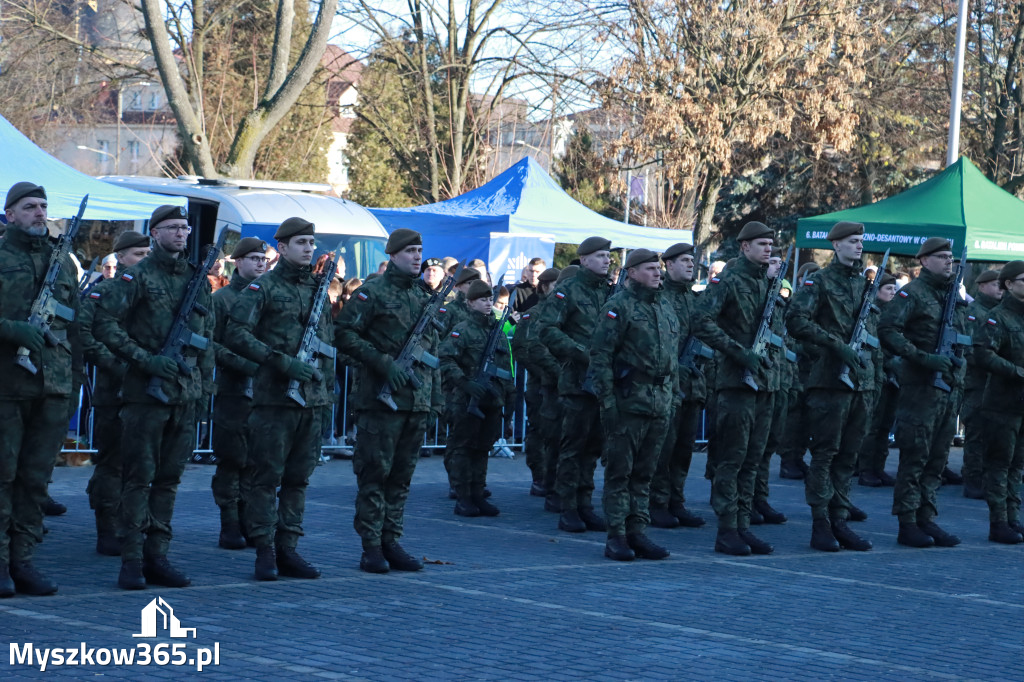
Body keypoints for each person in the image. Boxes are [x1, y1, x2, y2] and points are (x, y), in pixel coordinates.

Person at [92, 204, 215, 590]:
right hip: (146, 396)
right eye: (172, 228)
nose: (181, 234)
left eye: (184, 228)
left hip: (184, 394)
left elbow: (207, 341)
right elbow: (104, 324)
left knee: (168, 480)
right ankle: (131, 559)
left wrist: (204, 387)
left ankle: (157, 555)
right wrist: (146, 361)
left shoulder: (198, 279)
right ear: (155, 233)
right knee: (139, 479)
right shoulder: (136, 278)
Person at [226, 220, 332, 580]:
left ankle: (289, 548)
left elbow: (328, 344)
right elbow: (235, 333)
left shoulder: (319, 289)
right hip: (274, 400)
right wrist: (278, 361)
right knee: (265, 479)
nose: (308, 248)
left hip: (311, 401)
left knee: (298, 480)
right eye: (301, 242)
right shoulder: (263, 287)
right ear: (282, 248)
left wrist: (325, 392)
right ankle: (265, 550)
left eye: (312, 242)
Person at [335, 228, 444, 574]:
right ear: (393, 254)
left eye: (420, 250)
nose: (417, 257)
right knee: (374, 475)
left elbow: (432, 350)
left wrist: (435, 398)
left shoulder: (423, 295)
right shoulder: (372, 293)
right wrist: (382, 363)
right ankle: (370, 546)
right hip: (380, 403)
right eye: (410, 250)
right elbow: (344, 334)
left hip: (416, 402)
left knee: (401, 477)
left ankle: (391, 540)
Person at [0, 182, 81, 597]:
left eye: (44, 207)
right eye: (29, 207)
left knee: (35, 481)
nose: (38, 213)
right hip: (7, 387)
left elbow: (76, 323)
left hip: (52, 386)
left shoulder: (62, 262)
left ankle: (23, 560)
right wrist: (12, 331)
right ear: (9, 213)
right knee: (3, 477)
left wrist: (73, 381)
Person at [786, 221, 875, 552]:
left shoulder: (864, 285)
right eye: (852, 241)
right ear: (836, 245)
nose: (858, 246)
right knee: (825, 455)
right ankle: (820, 523)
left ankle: (840, 519)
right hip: (828, 382)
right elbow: (796, 321)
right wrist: (834, 345)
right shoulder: (819, 281)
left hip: (859, 383)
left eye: (860, 241)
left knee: (849, 457)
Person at [878, 237, 970, 548]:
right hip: (921, 388)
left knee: (937, 458)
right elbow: (888, 330)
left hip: (947, 389)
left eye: (951, 257)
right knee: (915, 456)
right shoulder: (912, 293)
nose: (949, 262)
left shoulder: (953, 296)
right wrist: (920, 357)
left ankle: (926, 518)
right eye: (942, 256)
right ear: (924, 261)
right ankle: (907, 523)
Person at [694, 221, 778, 556]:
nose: (768, 249)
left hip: (762, 382)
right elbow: (701, 320)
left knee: (753, 460)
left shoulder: (766, 282)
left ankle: (743, 525)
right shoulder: (730, 279)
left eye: (770, 244)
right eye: (761, 244)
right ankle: (727, 529)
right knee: (732, 459)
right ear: (744, 247)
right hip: (734, 382)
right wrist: (735, 351)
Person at [589, 249, 678, 561]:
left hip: (660, 401)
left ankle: (637, 531)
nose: (657, 273)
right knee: (620, 473)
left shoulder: (664, 305)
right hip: (628, 401)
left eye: (658, 268)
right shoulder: (618, 307)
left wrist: (673, 395)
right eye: (650, 268)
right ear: (632, 272)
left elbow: (672, 357)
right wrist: (608, 403)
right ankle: (616, 535)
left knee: (645, 473)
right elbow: (600, 357)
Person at [80, 230, 151, 557]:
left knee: (140, 463)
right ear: (120, 257)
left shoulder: (150, 292)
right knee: (112, 462)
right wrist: (118, 365)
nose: (144, 260)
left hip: (147, 392)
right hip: (116, 390)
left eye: (147, 253)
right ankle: (106, 527)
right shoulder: (105, 291)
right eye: (138, 254)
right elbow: (86, 335)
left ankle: (132, 523)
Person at [539, 236, 613, 534]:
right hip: (577, 382)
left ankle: (585, 504)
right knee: (573, 447)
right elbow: (547, 330)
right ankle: (568, 506)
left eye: (608, 256)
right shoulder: (567, 290)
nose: (607, 260)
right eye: (600, 256)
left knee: (593, 447)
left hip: (602, 383)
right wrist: (581, 354)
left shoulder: (609, 292)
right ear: (583, 259)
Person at [209, 237, 267, 551]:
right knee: (232, 460)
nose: (260, 263)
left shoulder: (268, 296)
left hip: (265, 393)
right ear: (238, 262)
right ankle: (229, 522)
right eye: (254, 258)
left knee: (257, 461)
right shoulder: (222, 300)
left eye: (263, 259)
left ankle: (249, 519)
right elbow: (211, 343)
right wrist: (244, 364)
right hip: (233, 391)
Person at [440, 279, 514, 516]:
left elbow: (505, 365)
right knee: (464, 448)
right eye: (482, 299)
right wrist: (465, 382)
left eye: (489, 299)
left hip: (491, 399)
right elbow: (445, 359)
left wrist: (507, 396)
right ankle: (463, 496)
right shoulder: (462, 329)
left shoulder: (497, 331)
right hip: (466, 399)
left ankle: (477, 492)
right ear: (470, 302)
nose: (487, 303)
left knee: (482, 449)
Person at [649, 242, 708, 530]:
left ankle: (676, 501)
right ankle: (657, 503)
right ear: (668, 265)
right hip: (669, 388)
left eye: (691, 261)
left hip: (693, 387)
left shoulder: (695, 299)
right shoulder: (659, 298)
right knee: (664, 448)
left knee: (684, 449)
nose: (690, 265)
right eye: (683, 260)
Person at [971, 260, 1024, 544]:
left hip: (1021, 404)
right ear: (1009, 284)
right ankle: (999, 522)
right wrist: (1017, 372)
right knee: (999, 464)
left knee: (1018, 465)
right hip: (1002, 402)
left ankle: (1013, 518)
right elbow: (984, 355)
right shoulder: (997, 317)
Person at [511, 267, 560, 496]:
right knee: (539, 431)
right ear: (544, 287)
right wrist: (543, 372)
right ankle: (540, 477)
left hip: (562, 383)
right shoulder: (532, 314)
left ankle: (557, 476)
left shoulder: (564, 312)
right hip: (540, 384)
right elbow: (521, 348)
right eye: (555, 285)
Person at [960, 269, 1003, 499]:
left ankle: (984, 476)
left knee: (991, 432)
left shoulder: (997, 311)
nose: (1000, 289)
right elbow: (971, 349)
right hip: (977, 382)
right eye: (996, 284)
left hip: (993, 382)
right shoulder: (974, 312)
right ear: (983, 285)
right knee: (976, 432)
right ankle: (973, 479)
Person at [859, 273, 900, 487]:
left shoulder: (896, 313)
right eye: (888, 289)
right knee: (873, 425)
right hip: (877, 374)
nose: (893, 292)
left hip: (893, 375)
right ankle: (866, 469)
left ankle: (879, 467)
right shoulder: (871, 313)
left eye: (894, 288)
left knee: (885, 425)